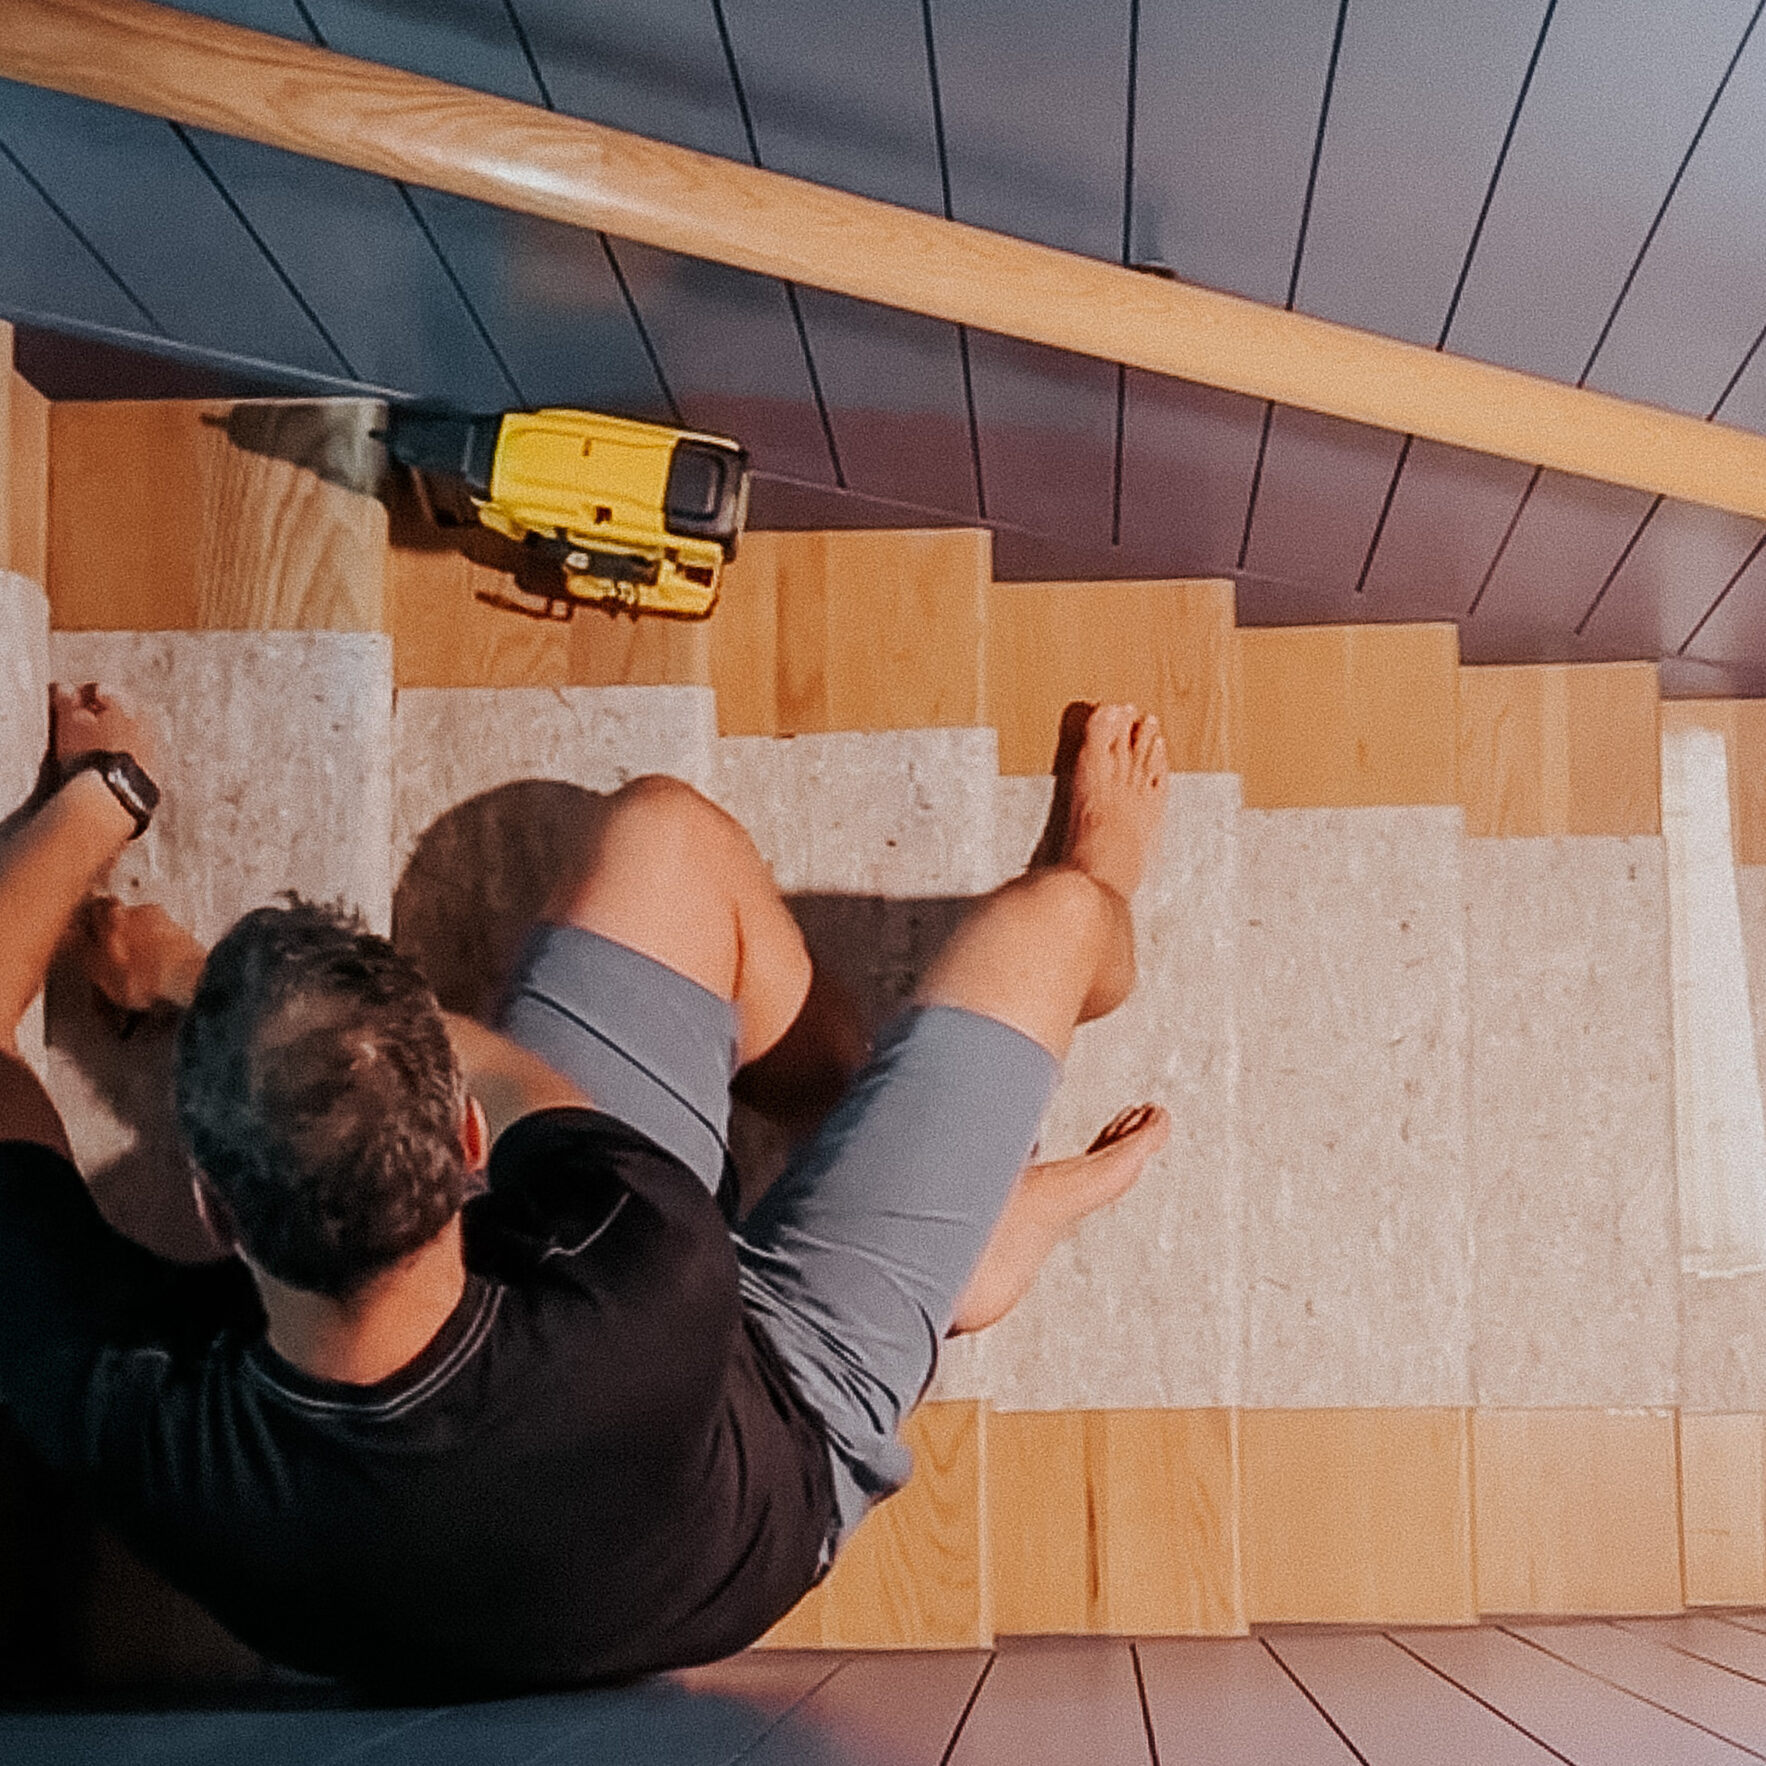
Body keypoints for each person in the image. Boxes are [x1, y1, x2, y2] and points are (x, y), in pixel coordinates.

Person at [0, 681, 1172, 1695]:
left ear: (211, 1204)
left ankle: (903, 1166)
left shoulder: (122, 1406)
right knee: (1046, 915)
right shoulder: (638, 1255)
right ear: (470, 1139)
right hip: (780, 1437)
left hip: (593, 1489)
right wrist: (154, 885)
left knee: (661, 835)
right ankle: (950, 1201)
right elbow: (501, 1069)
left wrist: (96, 809)